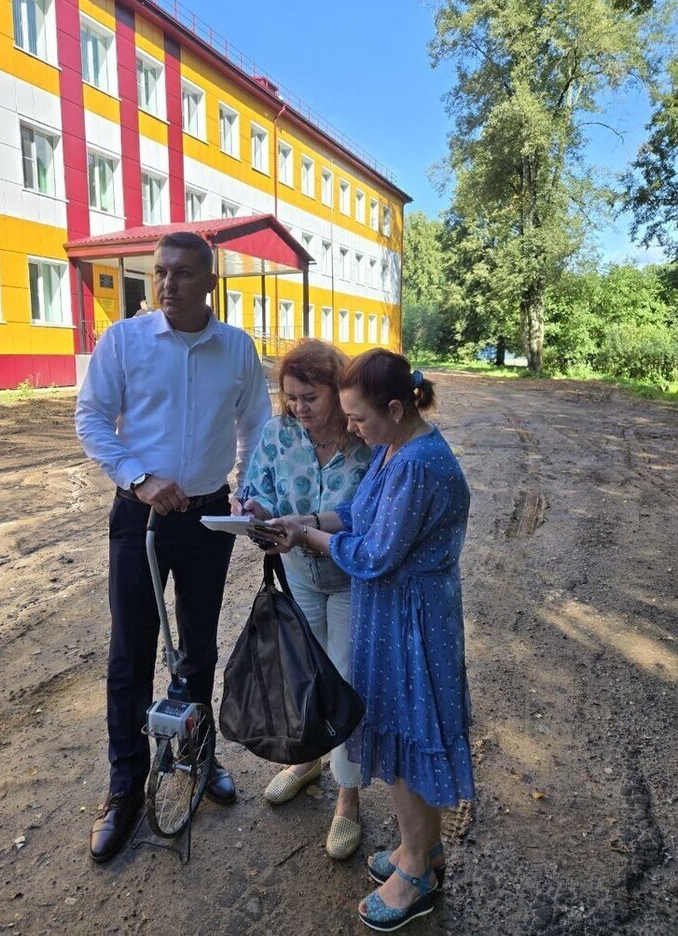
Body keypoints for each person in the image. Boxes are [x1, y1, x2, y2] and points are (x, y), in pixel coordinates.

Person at [75, 231, 271, 863]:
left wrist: (250, 490)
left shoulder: (236, 348)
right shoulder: (125, 342)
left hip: (209, 515)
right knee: (130, 651)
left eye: (183, 274)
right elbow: (91, 417)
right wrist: (139, 478)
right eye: (160, 273)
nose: (166, 285)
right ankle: (125, 784)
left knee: (199, 645)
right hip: (141, 515)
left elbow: (257, 426)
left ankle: (194, 752)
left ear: (209, 283)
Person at [267, 349, 474, 931]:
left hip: (413, 618)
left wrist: (307, 537)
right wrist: (302, 522)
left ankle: (413, 872)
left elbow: (376, 553)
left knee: (411, 738)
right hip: (399, 614)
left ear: (393, 406)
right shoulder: (396, 449)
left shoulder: (417, 464)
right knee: (408, 727)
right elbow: (356, 515)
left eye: (357, 417)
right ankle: (424, 850)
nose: (350, 426)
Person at [231, 338, 372, 860]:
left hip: (353, 582)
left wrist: (305, 526)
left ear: (338, 392)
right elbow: (260, 487)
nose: (298, 408)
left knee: (345, 681)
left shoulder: (366, 438)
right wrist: (252, 508)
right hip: (298, 575)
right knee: (302, 673)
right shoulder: (279, 432)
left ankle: (348, 799)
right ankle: (306, 759)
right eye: (291, 396)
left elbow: (368, 517)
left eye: (309, 396)